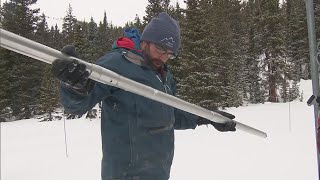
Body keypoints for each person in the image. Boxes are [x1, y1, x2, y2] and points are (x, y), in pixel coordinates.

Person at [52, 12, 236, 180]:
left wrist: (207, 118)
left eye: (170, 54)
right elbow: (77, 105)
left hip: (159, 173)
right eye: (161, 48)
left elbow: (169, 114)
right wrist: (73, 85)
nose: (164, 57)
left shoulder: (163, 74)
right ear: (145, 41)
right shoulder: (116, 64)